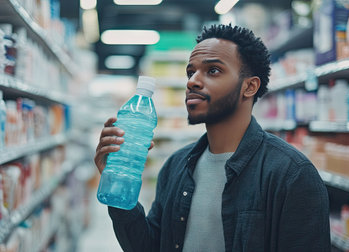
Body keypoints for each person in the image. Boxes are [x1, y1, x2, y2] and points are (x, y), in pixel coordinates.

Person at [94, 24, 330, 252]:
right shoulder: (176, 167)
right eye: (190, 72)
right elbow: (148, 247)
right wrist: (117, 185)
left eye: (212, 70)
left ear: (249, 87)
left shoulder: (291, 175)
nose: (192, 81)